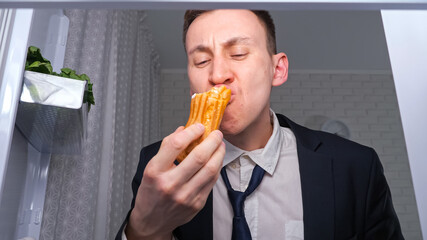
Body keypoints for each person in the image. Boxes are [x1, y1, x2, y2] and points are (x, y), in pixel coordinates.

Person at [116, 9, 404, 240]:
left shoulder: (355, 165)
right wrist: (144, 230)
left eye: (238, 53)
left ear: (277, 69)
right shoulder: (159, 167)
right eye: (202, 60)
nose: (217, 74)